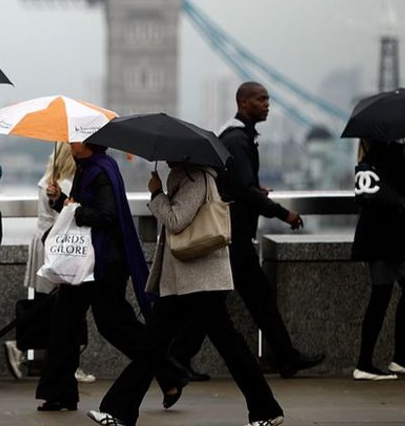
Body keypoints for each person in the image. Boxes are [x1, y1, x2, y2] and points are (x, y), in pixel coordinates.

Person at [88, 163, 284, 426]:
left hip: (199, 280)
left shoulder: (196, 178)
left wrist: (157, 194)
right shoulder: (189, 176)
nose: (167, 160)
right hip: (187, 279)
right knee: (155, 345)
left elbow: (176, 220)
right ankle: (118, 411)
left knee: (225, 346)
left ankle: (267, 410)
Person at [170, 82, 324, 379]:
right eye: (260, 99)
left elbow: (239, 184)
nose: (267, 104)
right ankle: (179, 357)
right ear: (243, 102)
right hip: (232, 235)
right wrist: (284, 213)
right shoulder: (238, 139)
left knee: (243, 299)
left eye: (267, 99)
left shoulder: (237, 137)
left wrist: (253, 190)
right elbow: (242, 189)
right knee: (235, 300)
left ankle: (181, 357)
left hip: (232, 232)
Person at [36, 141, 184, 412]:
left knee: (114, 325)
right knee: (64, 323)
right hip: (88, 261)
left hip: (104, 264)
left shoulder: (99, 171)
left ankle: (169, 373)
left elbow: (105, 215)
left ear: (88, 144)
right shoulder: (90, 167)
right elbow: (79, 211)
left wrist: (75, 209)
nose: (70, 144)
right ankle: (60, 393)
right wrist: (60, 201)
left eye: (75, 140)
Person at [4, 142, 94, 383]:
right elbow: (69, 218)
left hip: (44, 244)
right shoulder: (65, 184)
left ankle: (26, 347)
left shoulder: (48, 180)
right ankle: (30, 348)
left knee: (47, 304)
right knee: (63, 308)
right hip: (60, 250)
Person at [350, 139, 405, 380]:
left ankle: (399, 357)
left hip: (383, 238)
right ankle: (365, 363)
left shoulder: (369, 163)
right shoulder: (394, 161)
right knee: (382, 296)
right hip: (384, 239)